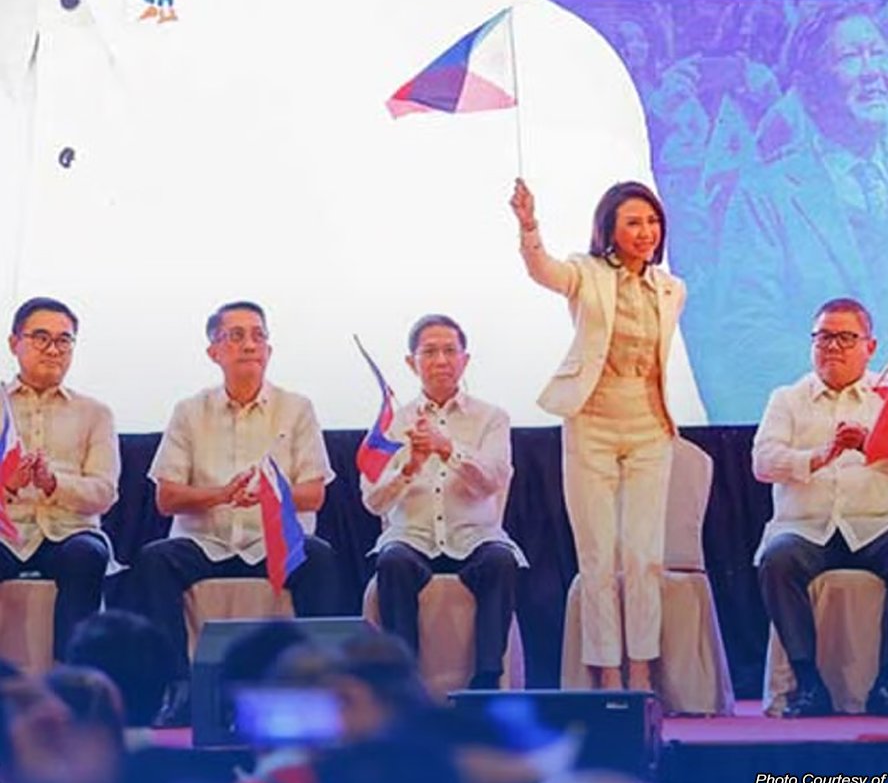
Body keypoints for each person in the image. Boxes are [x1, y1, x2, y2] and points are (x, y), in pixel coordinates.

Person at [710, 2, 888, 421]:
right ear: (810, 87)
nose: (872, 71)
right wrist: (852, 384)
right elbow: (745, 333)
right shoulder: (766, 195)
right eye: (850, 57)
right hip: (814, 425)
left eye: (879, 53)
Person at [127, 300, 343, 726]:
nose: (249, 345)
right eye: (236, 336)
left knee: (318, 556)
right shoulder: (189, 411)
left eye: (258, 336)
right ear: (214, 351)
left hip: (274, 542)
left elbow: (314, 494)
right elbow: (167, 498)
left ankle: (318, 688)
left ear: (269, 349)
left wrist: (270, 495)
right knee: (154, 560)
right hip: (206, 541)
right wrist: (222, 494)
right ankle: (180, 688)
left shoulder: (297, 407)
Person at [510, 178, 686, 691]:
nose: (646, 232)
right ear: (609, 229)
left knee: (644, 555)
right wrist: (528, 224)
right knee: (598, 556)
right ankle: (608, 673)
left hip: (649, 425)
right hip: (592, 423)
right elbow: (543, 270)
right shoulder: (585, 274)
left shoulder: (672, 289)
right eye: (633, 222)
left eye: (652, 222)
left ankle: (642, 669)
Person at [752, 298, 888, 717]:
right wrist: (819, 456)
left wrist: (868, 444)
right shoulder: (787, 398)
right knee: (777, 559)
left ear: (870, 346)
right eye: (823, 337)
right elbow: (763, 463)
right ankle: (809, 685)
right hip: (807, 529)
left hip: (878, 527)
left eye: (846, 338)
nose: (832, 346)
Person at [361, 314, 525, 690]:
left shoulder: (491, 418)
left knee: (500, 561)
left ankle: (486, 682)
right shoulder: (392, 423)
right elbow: (372, 501)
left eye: (450, 351)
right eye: (430, 352)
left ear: (465, 360)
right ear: (411, 362)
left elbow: (494, 480)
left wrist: (448, 448)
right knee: (392, 561)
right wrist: (409, 469)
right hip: (412, 538)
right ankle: (403, 681)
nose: (441, 361)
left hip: (474, 537)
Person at [1, 297, 119, 659]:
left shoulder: (95, 413)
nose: (53, 350)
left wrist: (54, 484)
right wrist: (8, 485)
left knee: (87, 555)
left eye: (64, 340)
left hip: (68, 531)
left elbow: (104, 492)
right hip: (6, 531)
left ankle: (73, 676)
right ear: (14, 343)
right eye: (41, 338)